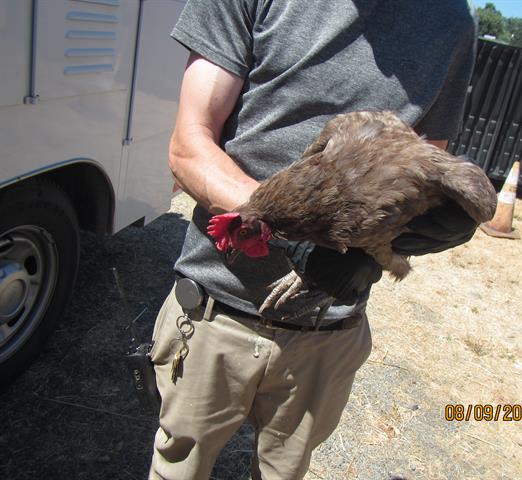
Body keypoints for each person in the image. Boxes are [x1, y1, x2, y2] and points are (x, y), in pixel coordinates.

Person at [149, 1, 479, 479]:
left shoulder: (450, 21)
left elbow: (423, 164)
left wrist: (403, 236)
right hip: (213, 312)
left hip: (329, 330)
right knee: (179, 470)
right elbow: (188, 144)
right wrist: (292, 232)